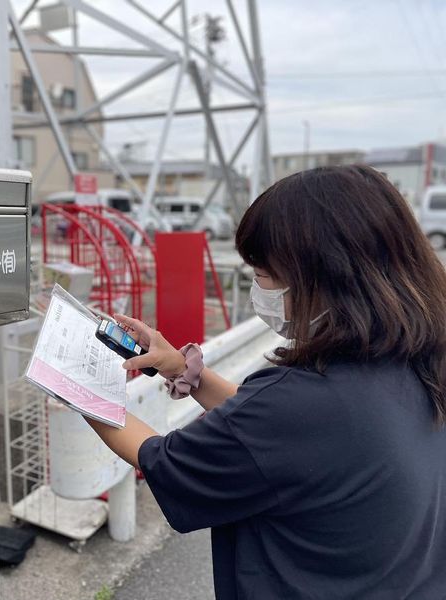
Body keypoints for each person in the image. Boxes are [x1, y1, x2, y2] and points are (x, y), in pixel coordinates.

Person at [85, 165, 446, 599]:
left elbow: (167, 461)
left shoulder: (304, 402)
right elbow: (270, 434)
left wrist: (79, 388)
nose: (258, 287)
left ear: (320, 277)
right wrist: (183, 369)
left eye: (261, 274)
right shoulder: (416, 358)